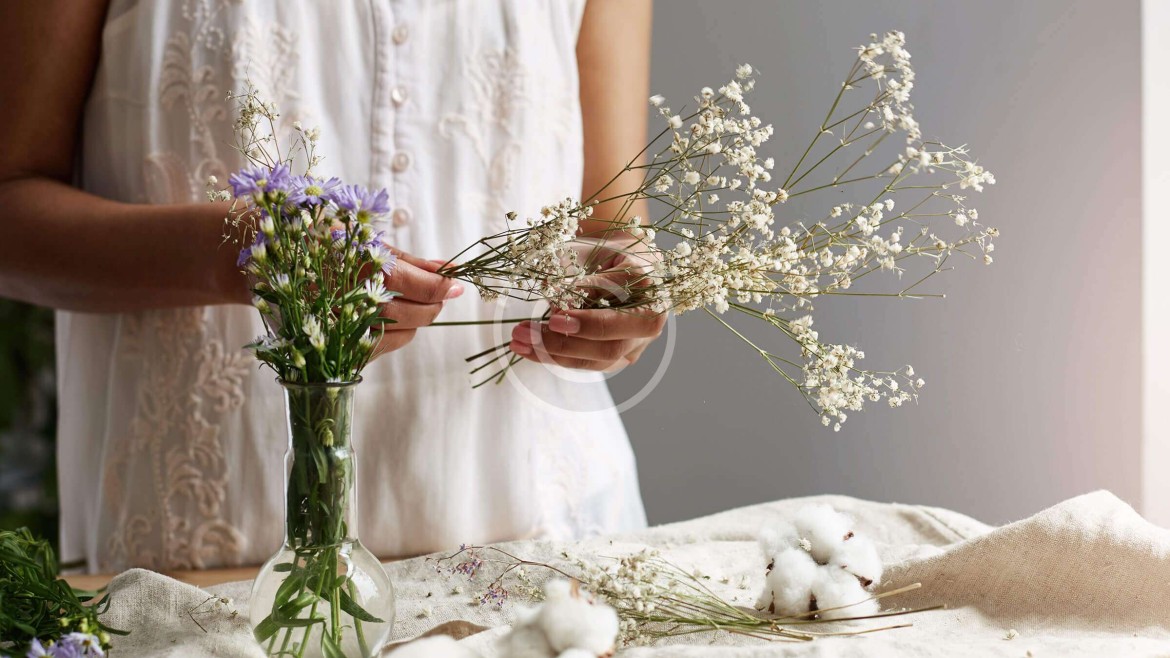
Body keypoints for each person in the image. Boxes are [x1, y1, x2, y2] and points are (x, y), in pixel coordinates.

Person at [0, 0, 660, 572]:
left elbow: (612, 224)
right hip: (209, 562)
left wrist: (624, 299)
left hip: (545, 543)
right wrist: (241, 253)